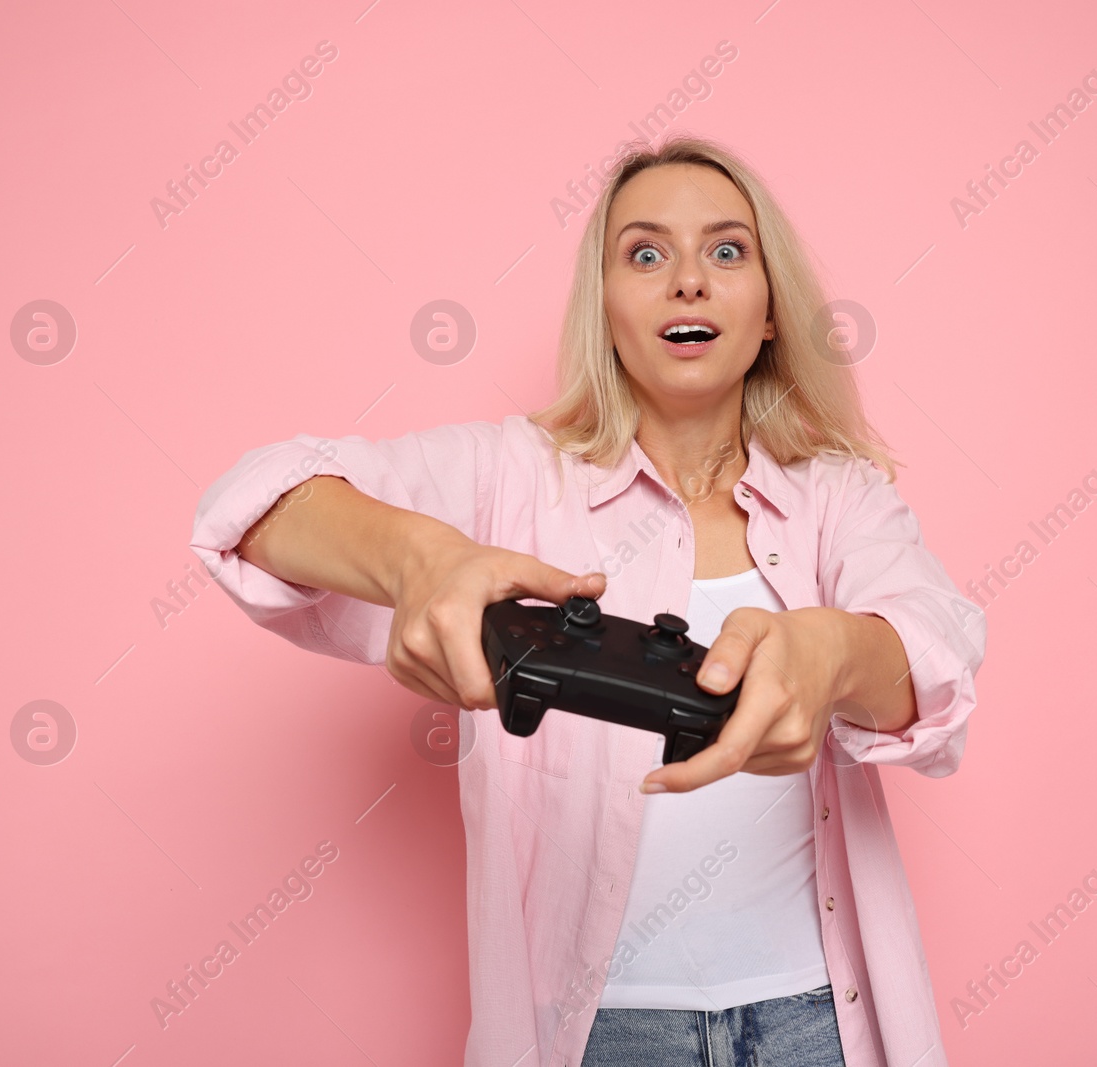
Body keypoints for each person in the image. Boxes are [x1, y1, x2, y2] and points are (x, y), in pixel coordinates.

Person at [191, 134, 986, 1067]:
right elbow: (254, 504)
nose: (688, 280)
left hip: (817, 1024)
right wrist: (418, 558)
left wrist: (833, 654)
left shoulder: (840, 497)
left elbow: (933, 653)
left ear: (771, 312)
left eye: (727, 251)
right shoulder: (507, 477)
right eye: (645, 254)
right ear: (604, 309)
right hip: (599, 1036)